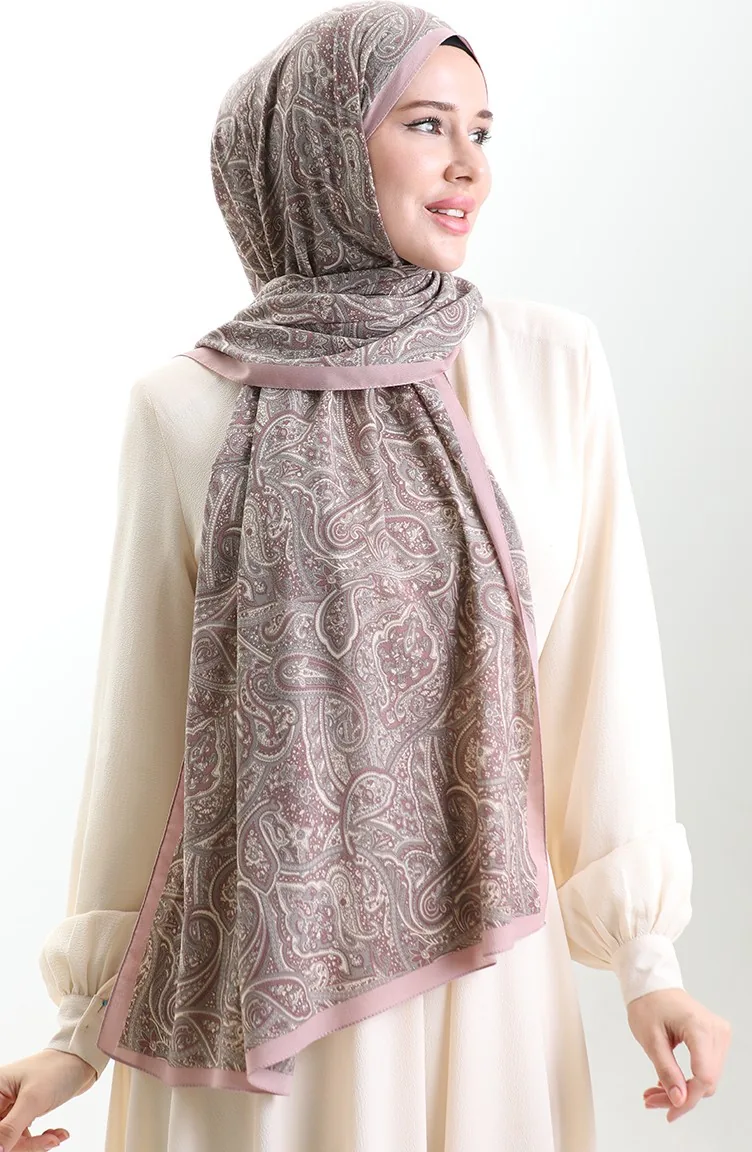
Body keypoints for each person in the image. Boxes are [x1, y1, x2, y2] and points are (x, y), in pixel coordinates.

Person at [0, 2, 731, 1150]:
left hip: (485, 981)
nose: (466, 167)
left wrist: (649, 964)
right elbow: (146, 743)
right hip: (254, 1007)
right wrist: (76, 1031)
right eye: (426, 125)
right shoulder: (184, 407)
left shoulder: (549, 368)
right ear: (320, 150)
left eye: (480, 131)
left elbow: (603, 677)